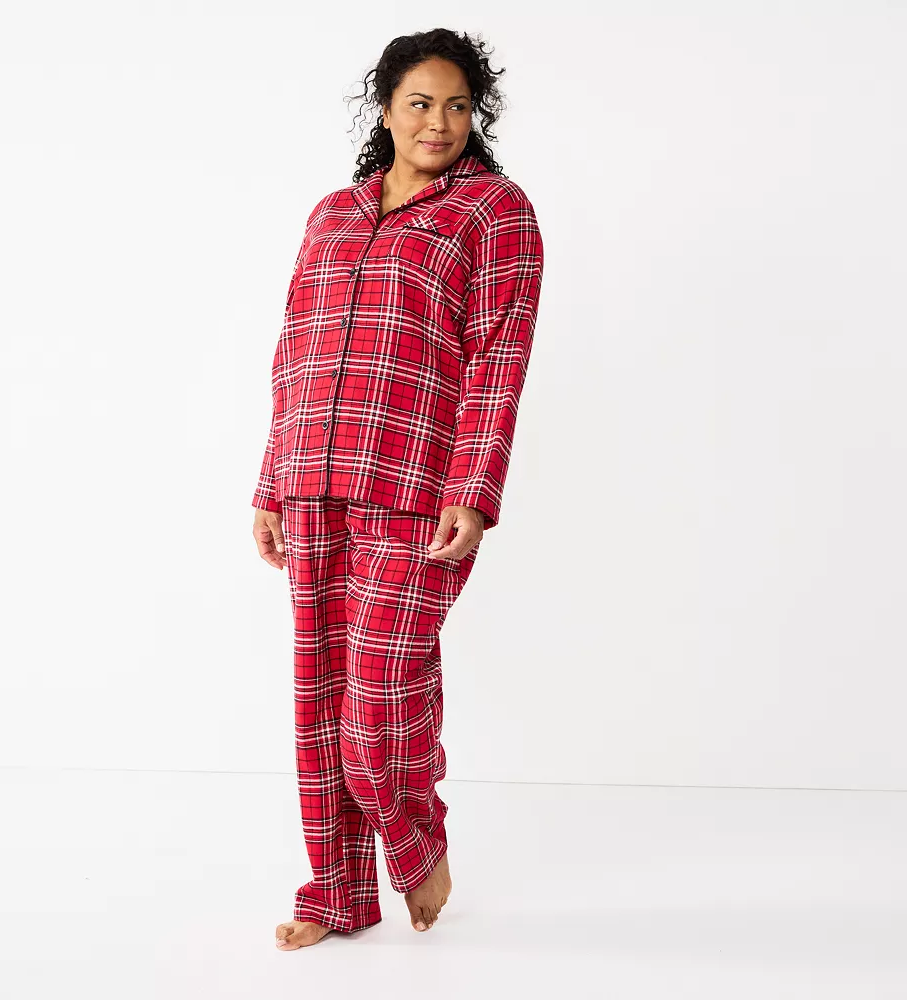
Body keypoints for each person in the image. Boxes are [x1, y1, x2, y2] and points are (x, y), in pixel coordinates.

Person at [252, 27, 544, 951]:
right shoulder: (332, 216)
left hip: (417, 487)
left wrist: (475, 488)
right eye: (421, 103)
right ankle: (336, 894)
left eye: (458, 106)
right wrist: (269, 481)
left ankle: (417, 846)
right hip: (313, 478)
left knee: (377, 700)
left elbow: (498, 359)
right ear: (385, 109)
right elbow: (294, 351)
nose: (439, 123)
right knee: (321, 701)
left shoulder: (494, 212)